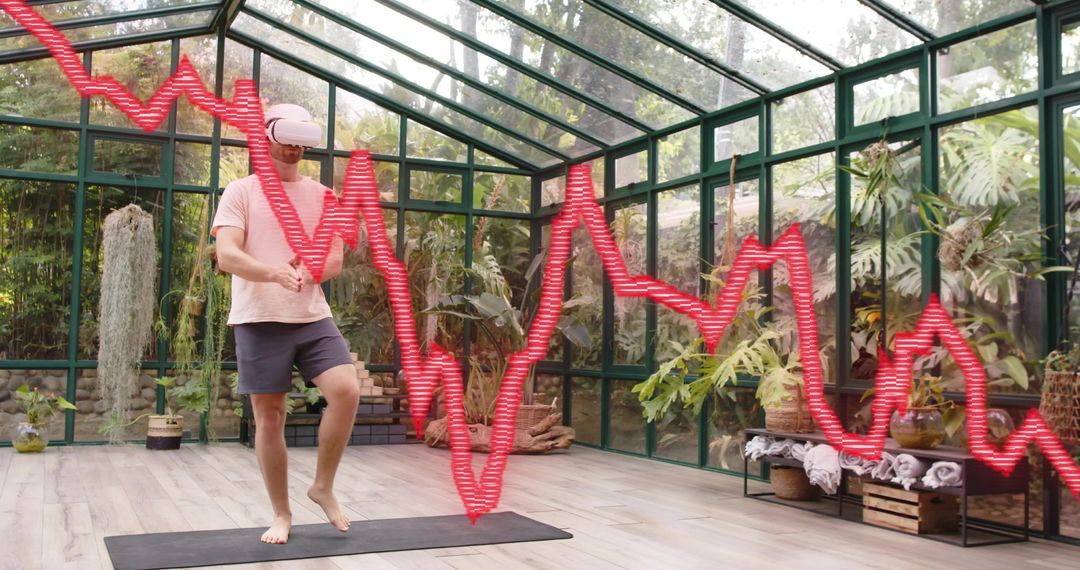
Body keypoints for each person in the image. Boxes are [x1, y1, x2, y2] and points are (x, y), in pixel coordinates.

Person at [212, 103, 359, 545]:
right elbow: (227, 255)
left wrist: (309, 272)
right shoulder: (241, 191)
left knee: (346, 391)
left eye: (301, 140)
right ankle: (281, 514)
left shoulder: (323, 196)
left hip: (311, 317)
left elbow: (333, 257)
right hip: (258, 319)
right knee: (270, 417)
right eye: (287, 138)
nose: (295, 147)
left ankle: (322, 487)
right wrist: (274, 272)